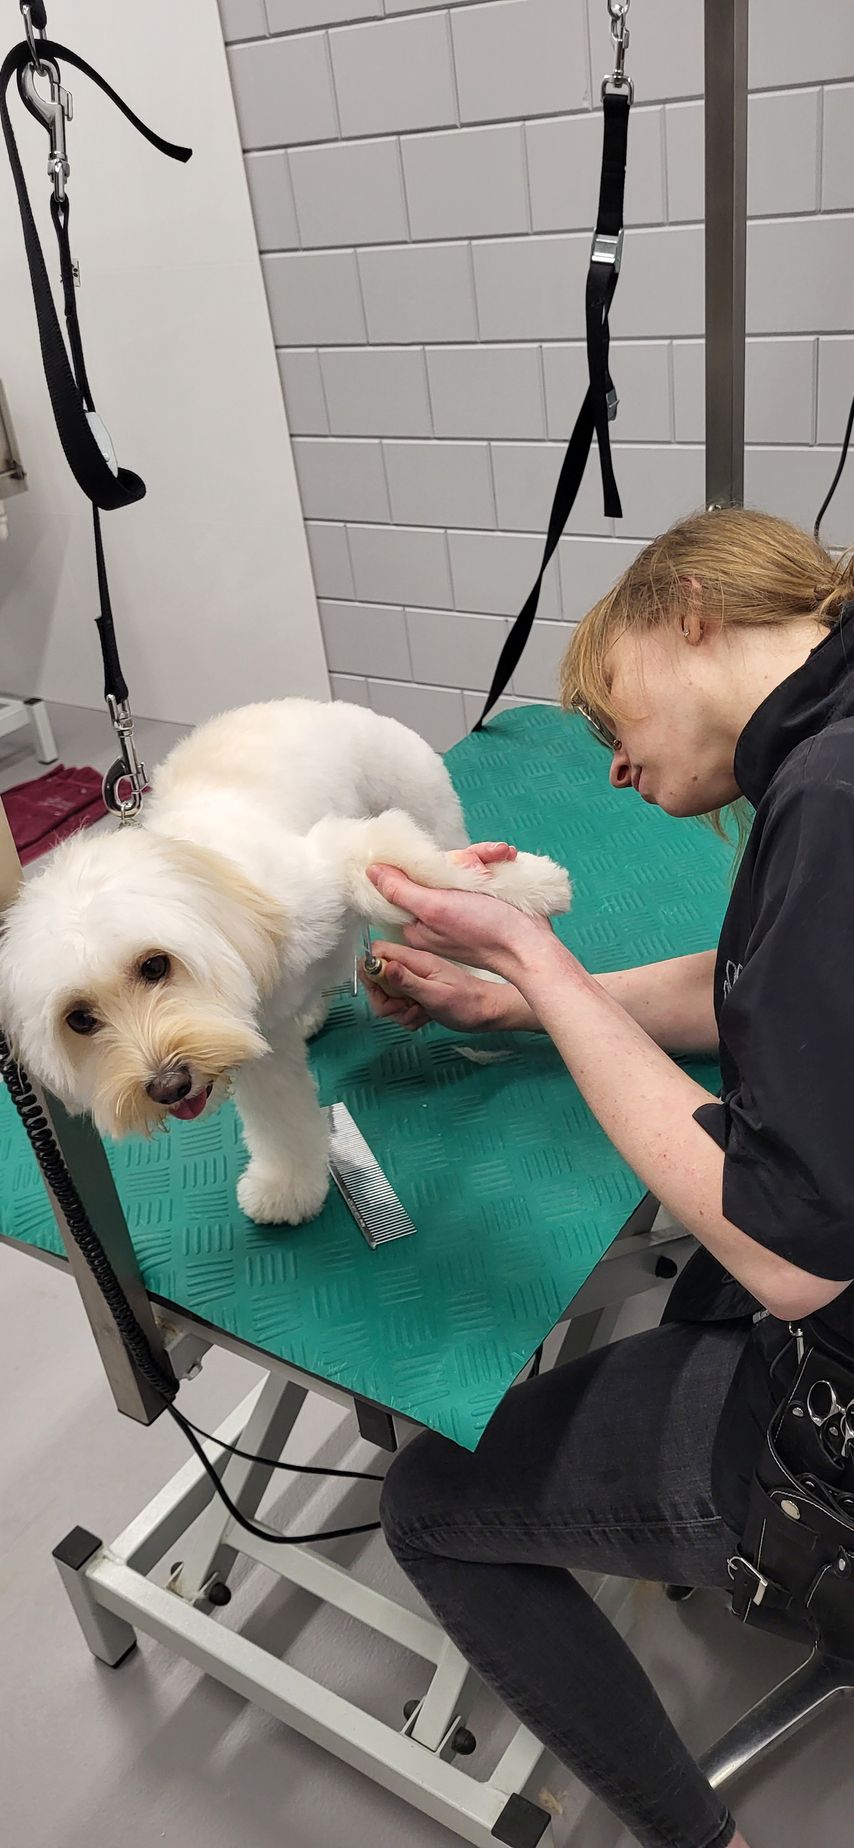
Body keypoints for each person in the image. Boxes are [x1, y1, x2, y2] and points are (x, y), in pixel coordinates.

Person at [360, 506, 854, 1848]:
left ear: (689, 607)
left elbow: (790, 1252)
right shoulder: (829, 736)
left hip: (841, 1405)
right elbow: (760, 984)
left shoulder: (829, 790)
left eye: (605, 705)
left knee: (429, 1507)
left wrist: (539, 965)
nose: (613, 764)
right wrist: (519, 1005)